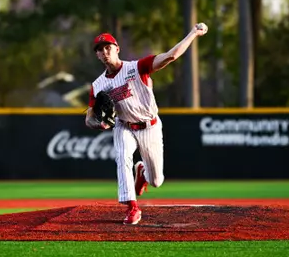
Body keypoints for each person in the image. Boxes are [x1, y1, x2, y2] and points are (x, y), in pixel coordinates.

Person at [85, 23, 208, 225]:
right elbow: (89, 118)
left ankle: (142, 172)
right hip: (123, 126)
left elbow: (170, 56)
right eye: (100, 50)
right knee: (122, 157)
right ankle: (132, 208)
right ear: (97, 55)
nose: (104, 52)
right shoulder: (97, 86)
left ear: (117, 49)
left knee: (156, 181)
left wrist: (193, 33)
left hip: (149, 126)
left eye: (108, 47)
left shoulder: (136, 67)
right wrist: (99, 124)